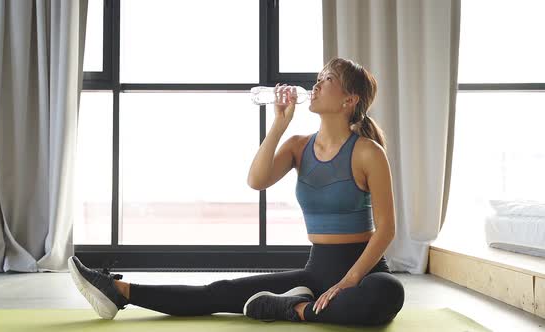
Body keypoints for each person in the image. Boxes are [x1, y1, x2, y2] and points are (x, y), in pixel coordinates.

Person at [68, 57, 405, 326]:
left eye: (327, 79)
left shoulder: (367, 152)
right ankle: (117, 290)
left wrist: (349, 280)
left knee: (388, 294)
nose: (315, 84)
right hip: (316, 271)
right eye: (317, 77)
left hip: (365, 273)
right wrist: (279, 122)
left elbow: (386, 228)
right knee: (221, 292)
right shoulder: (298, 147)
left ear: (349, 99)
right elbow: (257, 180)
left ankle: (294, 309)